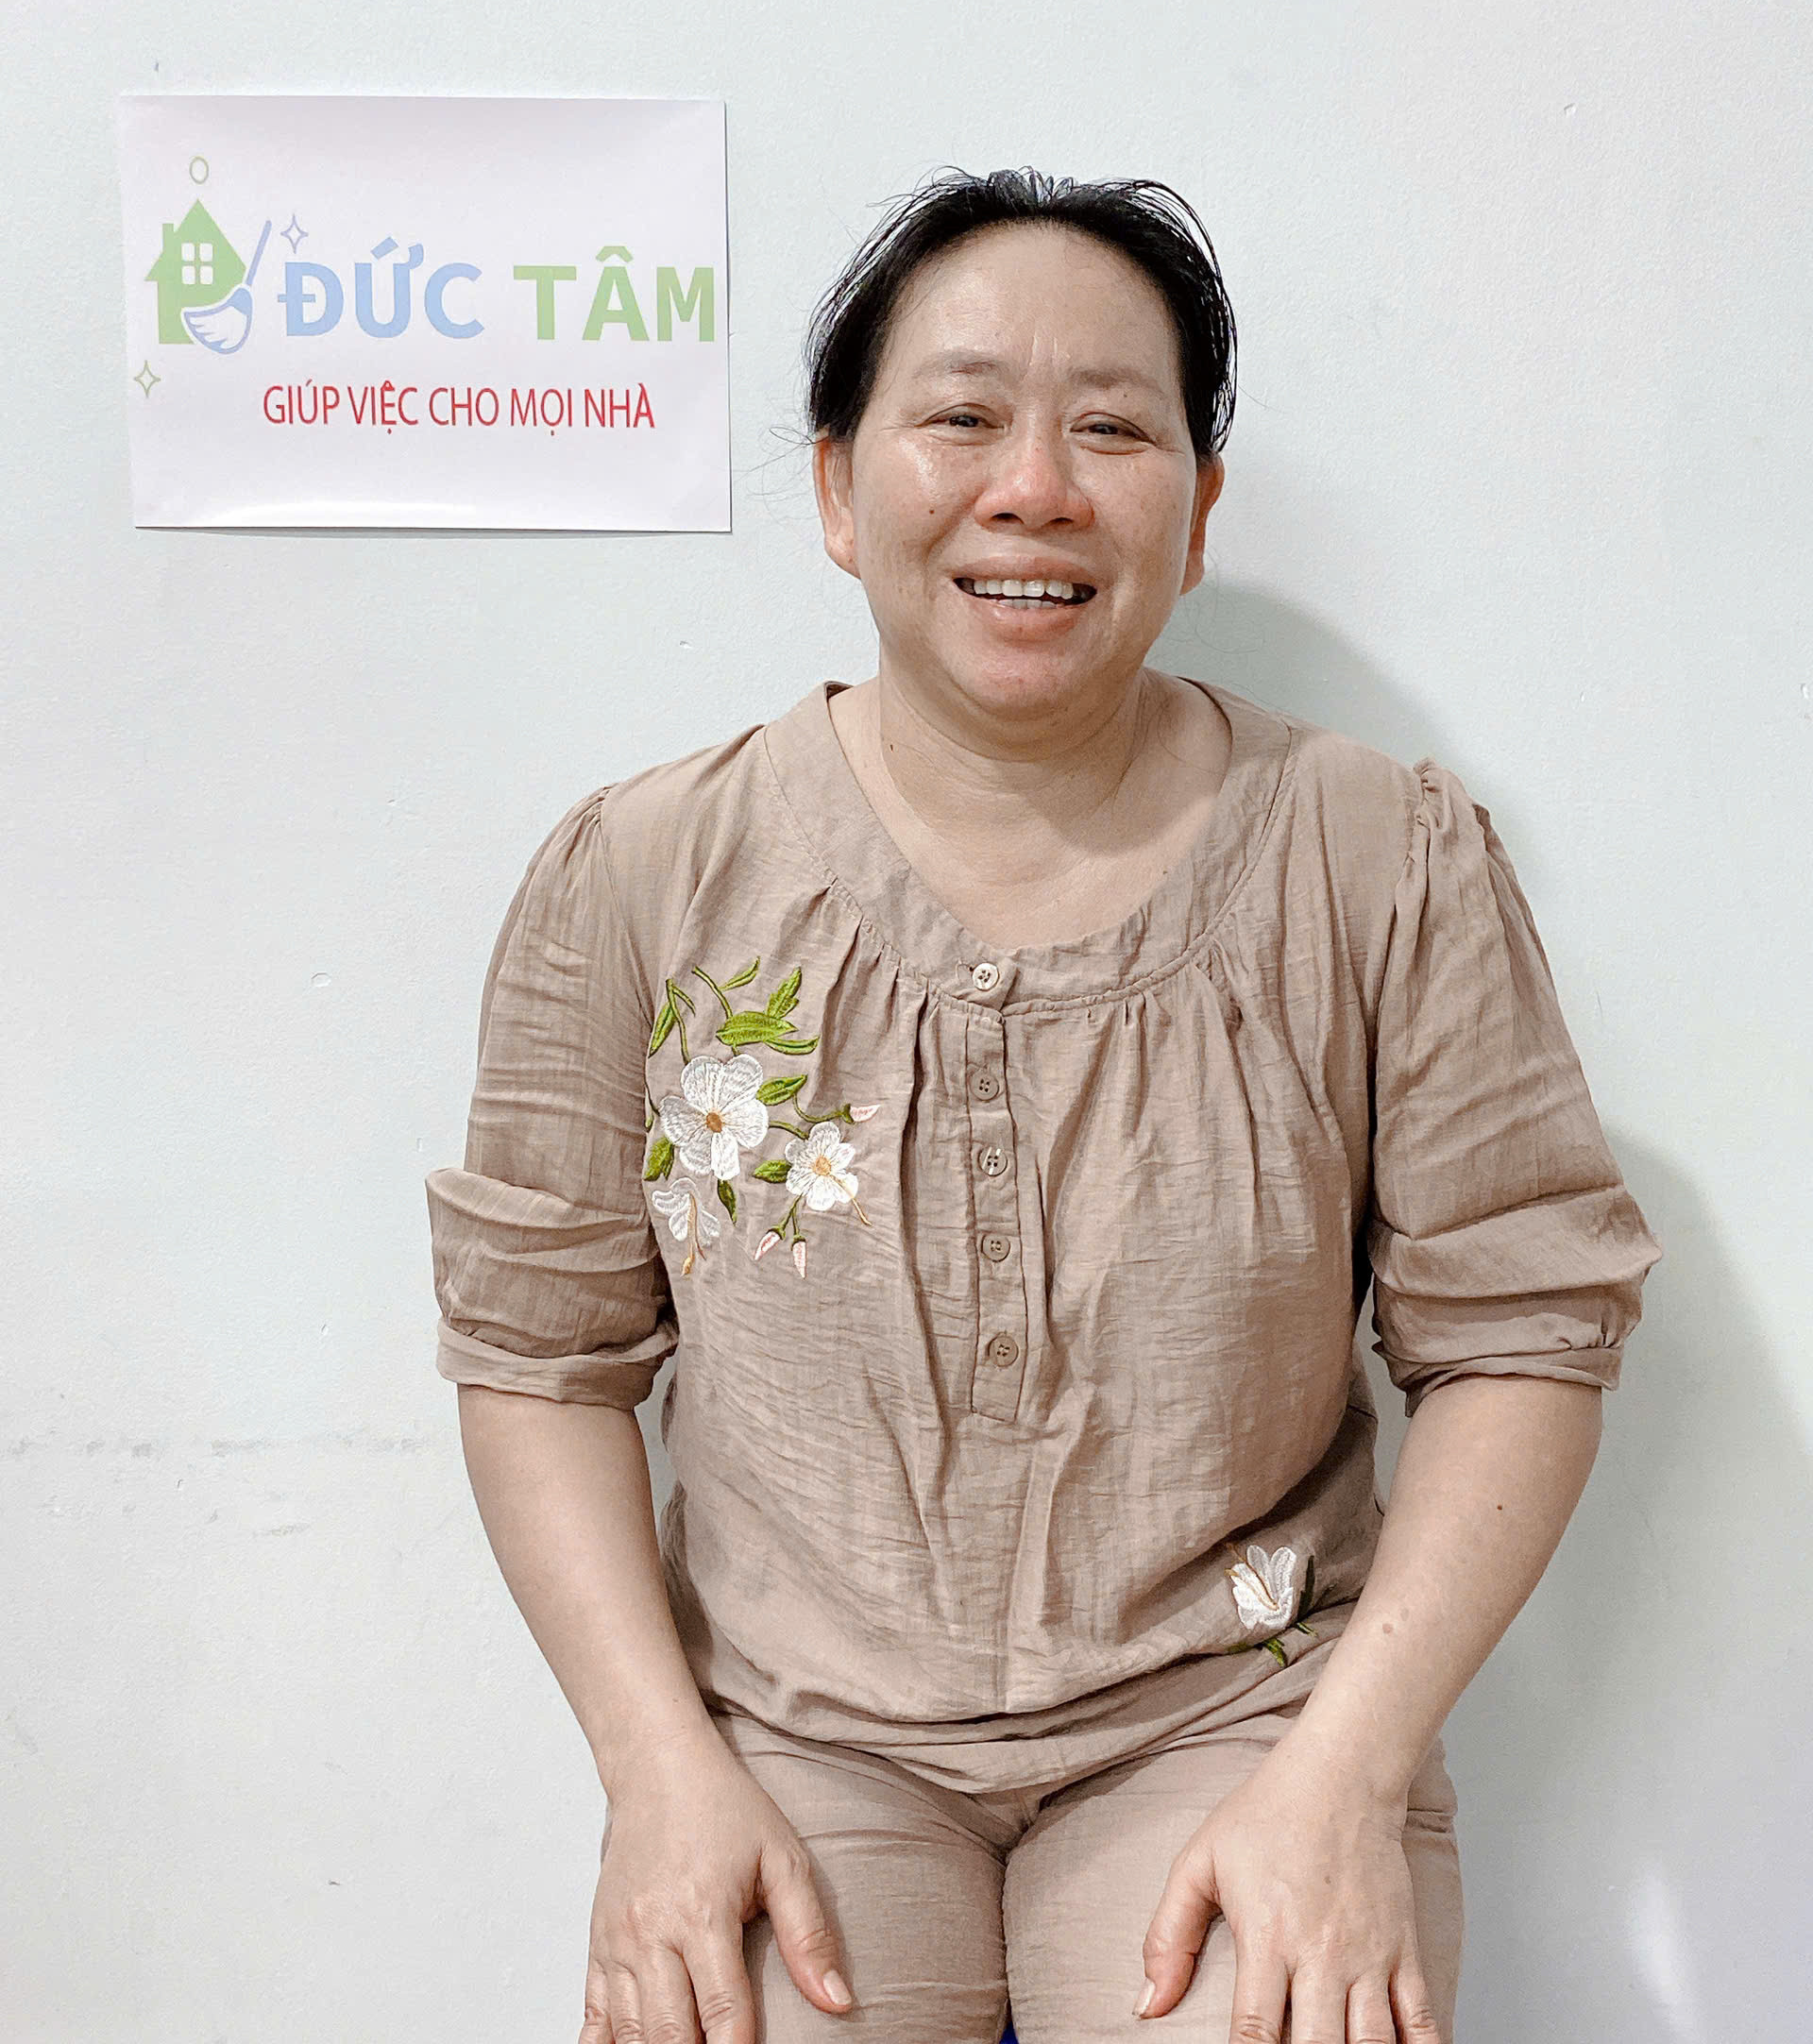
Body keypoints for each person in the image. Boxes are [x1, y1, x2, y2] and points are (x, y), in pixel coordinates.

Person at [428, 169, 1660, 2044]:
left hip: (1242, 1711)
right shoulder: (646, 870)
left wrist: (1345, 1775)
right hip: (788, 1727)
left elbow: (1522, 1333)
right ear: (838, 489)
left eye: (1112, 427)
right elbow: (539, 1352)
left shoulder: (1375, 857)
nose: (1034, 487)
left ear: (1198, 508)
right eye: (962, 417)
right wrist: (653, 1771)